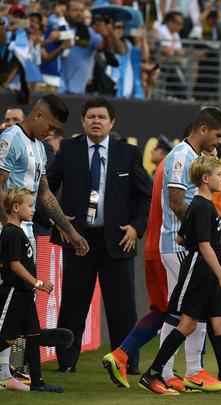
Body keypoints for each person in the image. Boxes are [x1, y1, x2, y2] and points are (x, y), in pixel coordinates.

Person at [140, 155, 221, 396]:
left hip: (208, 270)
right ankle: (153, 373)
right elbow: (202, 245)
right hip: (200, 270)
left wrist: (214, 243)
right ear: (205, 178)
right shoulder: (202, 206)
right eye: (219, 175)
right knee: (188, 323)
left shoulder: (201, 206)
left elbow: (182, 237)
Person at [47, 97, 152, 373]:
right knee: (73, 304)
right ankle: (66, 363)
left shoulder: (128, 153)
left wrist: (135, 228)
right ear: (82, 121)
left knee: (123, 309)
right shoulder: (68, 150)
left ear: (112, 122)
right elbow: (46, 189)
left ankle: (126, 363)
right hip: (78, 240)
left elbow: (146, 198)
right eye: (91, 116)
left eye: (101, 117)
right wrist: (58, 221)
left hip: (118, 240)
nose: (96, 121)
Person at [0, 94, 89, 390]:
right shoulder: (10, 138)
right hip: (10, 236)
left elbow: (45, 195)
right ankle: (10, 373)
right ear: (37, 115)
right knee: (10, 307)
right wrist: (8, 229)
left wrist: (71, 232)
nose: (51, 133)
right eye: (49, 125)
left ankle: (13, 374)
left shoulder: (39, 148)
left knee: (23, 309)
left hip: (26, 235)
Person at [158, 108, 221, 392]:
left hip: (190, 244)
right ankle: (169, 371)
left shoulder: (198, 159)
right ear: (203, 129)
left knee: (188, 310)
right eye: (218, 135)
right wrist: (205, 231)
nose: (220, 142)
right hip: (179, 244)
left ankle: (189, 370)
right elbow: (176, 201)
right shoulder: (180, 157)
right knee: (185, 312)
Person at [102, 135, 172, 389]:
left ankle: (126, 356)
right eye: (217, 138)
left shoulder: (159, 170)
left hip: (156, 247)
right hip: (169, 249)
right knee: (180, 313)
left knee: (167, 311)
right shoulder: (175, 167)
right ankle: (165, 372)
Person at [0, 188, 74, 393]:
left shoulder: (20, 232)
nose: (33, 210)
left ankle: (38, 382)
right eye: (29, 206)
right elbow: (14, 265)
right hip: (14, 294)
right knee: (6, 337)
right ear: (15, 208)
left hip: (25, 296)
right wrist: (37, 283)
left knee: (33, 337)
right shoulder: (11, 232)